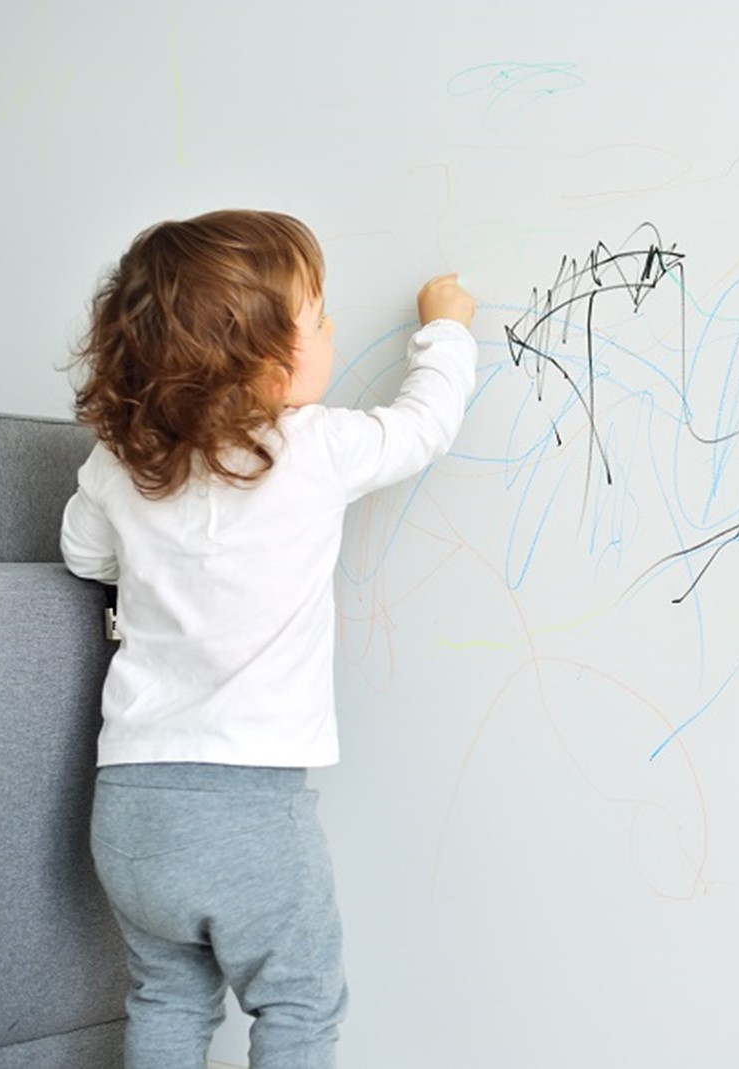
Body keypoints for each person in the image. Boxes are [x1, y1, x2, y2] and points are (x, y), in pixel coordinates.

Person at [60, 208, 477, 1067]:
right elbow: (423, 426)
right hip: (247, 807)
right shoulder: (313, 447)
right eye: (319, 318)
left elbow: (81, 552)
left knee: (167, 997)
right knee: (297, 1004)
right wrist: (444, 327)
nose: (330, 330)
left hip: (129, 805)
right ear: (270, 360)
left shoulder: (123, 462)